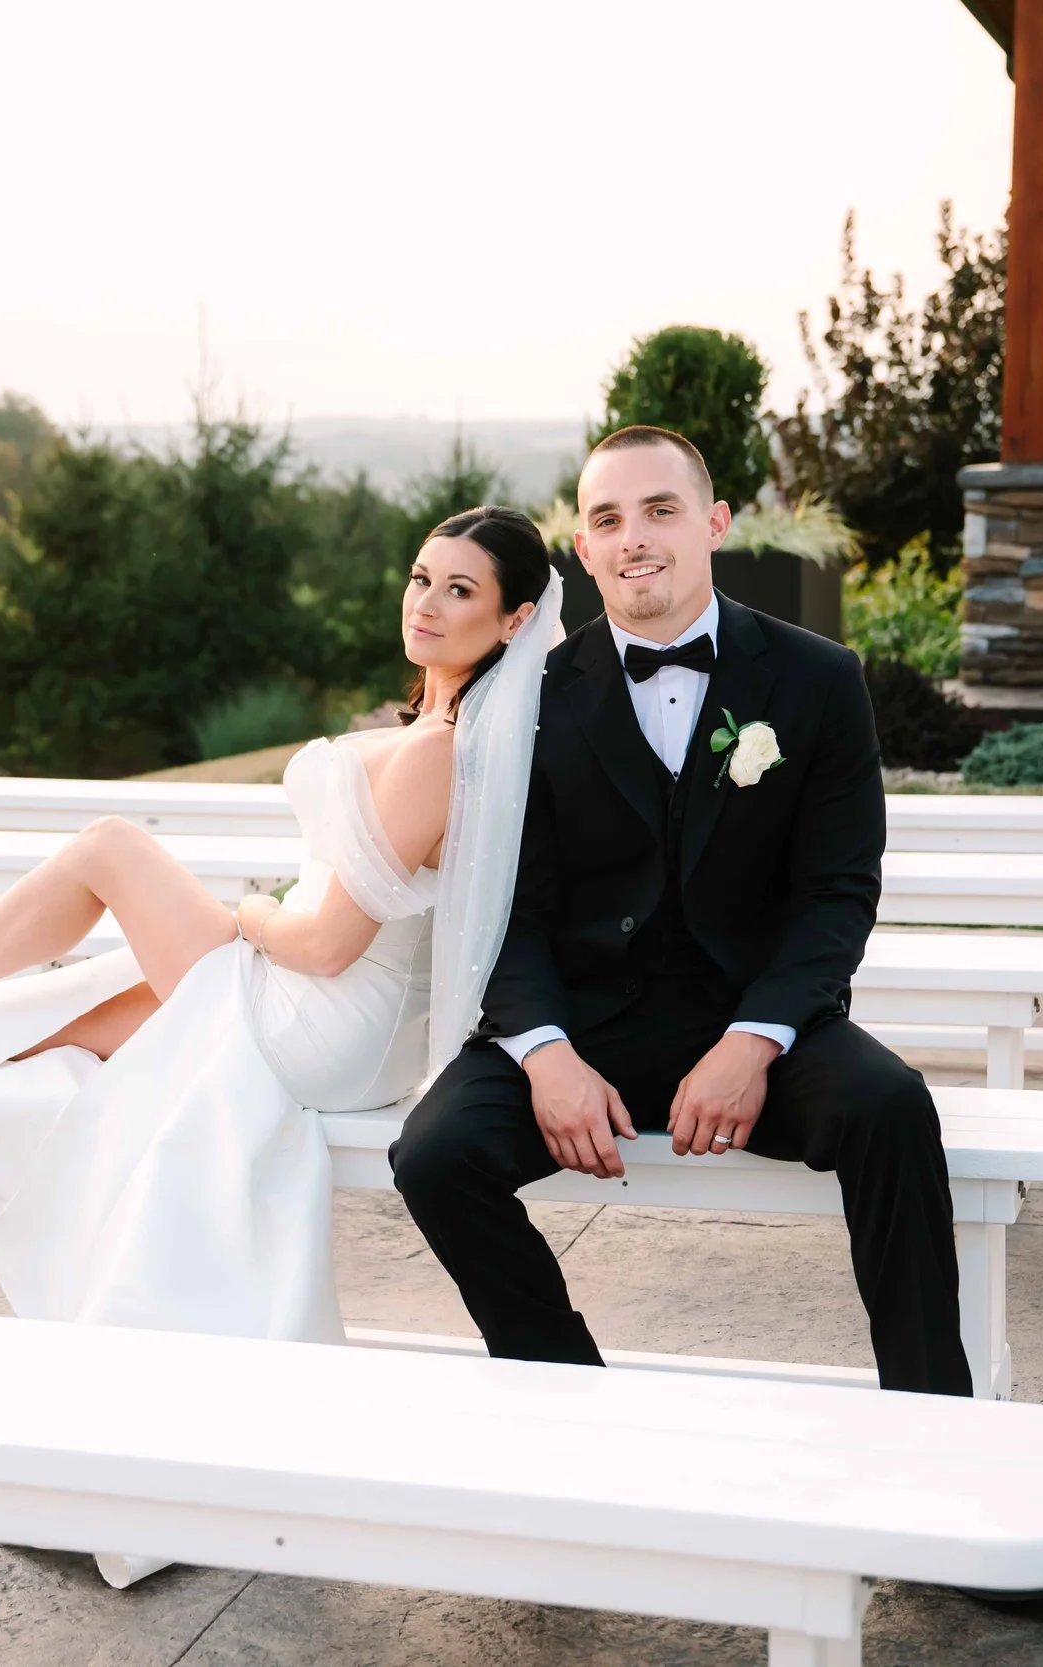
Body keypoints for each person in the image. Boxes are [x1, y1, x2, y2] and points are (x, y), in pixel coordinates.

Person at [0, 507, 562, 1352]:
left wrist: (252, 916)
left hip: (320, 1018)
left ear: (514, 619)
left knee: (111, 848)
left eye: (460, 590)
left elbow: (332, 944)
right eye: (421, 578)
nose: (427, 603)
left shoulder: (440, 750)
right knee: (37, 1037)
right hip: (343, 1020)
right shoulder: (448, 734)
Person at [389, 426, 974, 1398]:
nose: (634, 538)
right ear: (582, 547)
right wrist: (543, 1051)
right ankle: (579, 1400)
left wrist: (754, 1040)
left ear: (712, 523)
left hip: (756, 1025)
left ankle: (936, 1427)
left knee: (891, 1107)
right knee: (434, 1152)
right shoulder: (525, 697)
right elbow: (503, 906)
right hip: (584, 1029)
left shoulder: (818, 677)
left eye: (659, 510)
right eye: (608, 519)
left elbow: (837, 890)